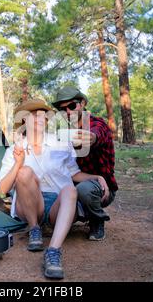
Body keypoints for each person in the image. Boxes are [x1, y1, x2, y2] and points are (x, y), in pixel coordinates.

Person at [0, 98, 109, 279]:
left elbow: (74, 175)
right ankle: (34, 229)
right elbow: (3, 189)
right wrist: (18, 164)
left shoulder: (61, 143)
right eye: (35, 115)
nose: (41, 118)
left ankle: (53, 252)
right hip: (31, 206)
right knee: (24, 172)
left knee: (70, 190)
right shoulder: (14, 149)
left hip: (58, 208)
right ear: (24, 119)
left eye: (44, 115)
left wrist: (97, 177)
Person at [52, 87, 118, 241]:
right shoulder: (66, 131)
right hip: (75, 181)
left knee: (84, 189)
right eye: (63, 109)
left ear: (82, 103)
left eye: (72, 106)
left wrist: (92, 138)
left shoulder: (97, 124)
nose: (68, 112)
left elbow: (97, 133)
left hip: (99, 187)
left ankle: (97, 219)